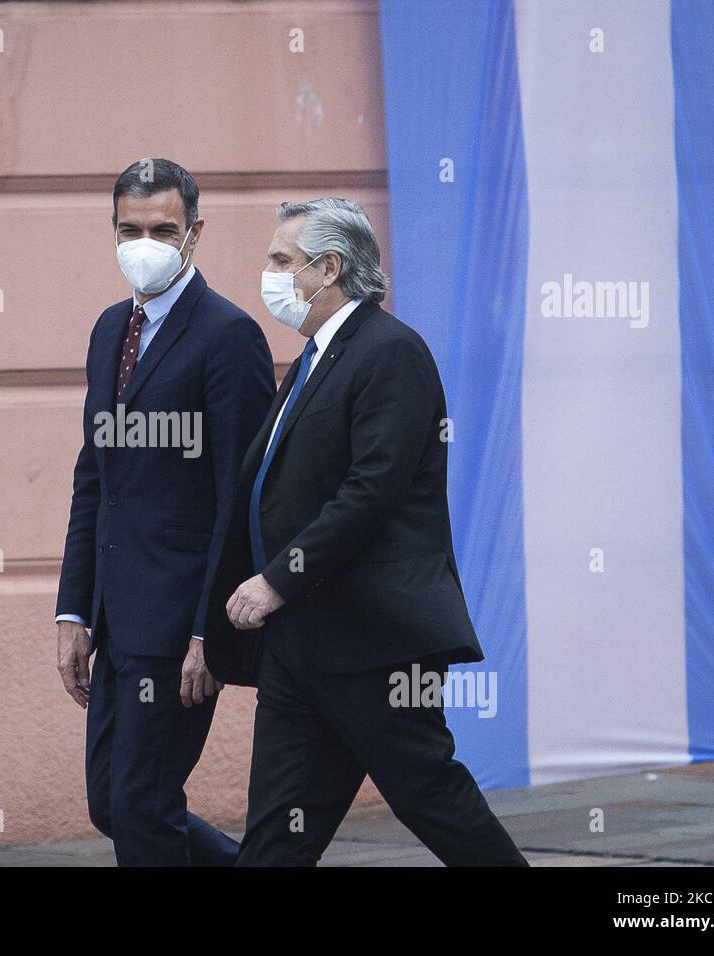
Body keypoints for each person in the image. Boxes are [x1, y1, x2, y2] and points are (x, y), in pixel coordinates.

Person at [204, 197, 529, 867]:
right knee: (276, 835)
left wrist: (276, 580)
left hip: (375, 645)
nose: (268, 274)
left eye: (281, 261)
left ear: (328, 268)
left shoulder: (390, 352)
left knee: (431, 799)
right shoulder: (317, 357)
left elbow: (371, 491)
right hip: (302, 645)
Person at [54, 158, 275, 866]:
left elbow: (239, 502)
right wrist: (73, 614)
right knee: (113, 805)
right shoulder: (107, 330)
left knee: (143, 809)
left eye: (161, 228)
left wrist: (209, 633)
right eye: (129, 228)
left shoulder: (228, 336)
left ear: (193, 234)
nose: (143, 242)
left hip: (180, 628)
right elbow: (96, 481)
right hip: (116, 620)